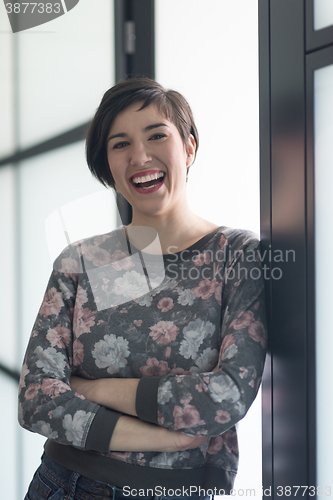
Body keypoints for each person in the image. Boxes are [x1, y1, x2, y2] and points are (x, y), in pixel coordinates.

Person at [19, 78, 267, 500]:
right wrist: (168, 438)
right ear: (106, 166)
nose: (140, 156)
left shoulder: (238, 255)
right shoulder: (79, 261)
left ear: (189, 147)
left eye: (157, 135)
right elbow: (36, 399)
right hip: (63, 484)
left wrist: (89, 388)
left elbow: (225, 398)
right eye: (119, 145)